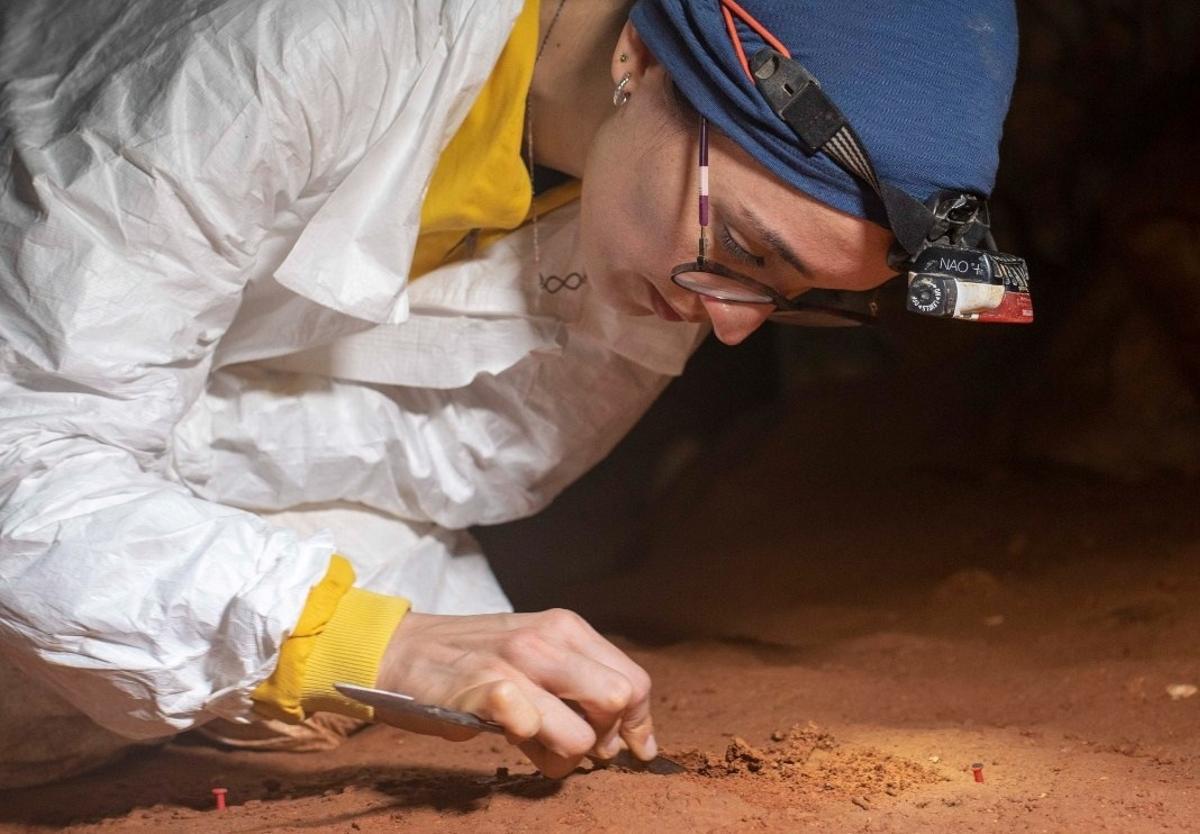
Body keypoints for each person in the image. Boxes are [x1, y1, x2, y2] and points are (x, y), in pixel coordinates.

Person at [0, 0, 1019, 787]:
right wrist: (356, 638)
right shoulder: (301, 50)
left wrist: (390, 631)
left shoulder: (672, 236)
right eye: (750, 251)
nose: (738, 322)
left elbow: (456, 468)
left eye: (797, 299)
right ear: (644, 59)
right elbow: (24, 449)